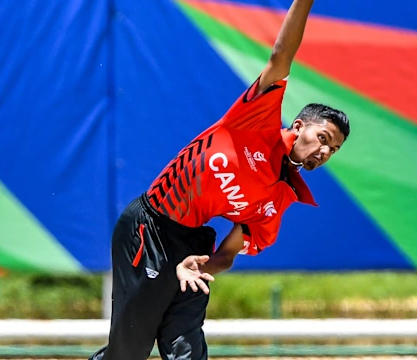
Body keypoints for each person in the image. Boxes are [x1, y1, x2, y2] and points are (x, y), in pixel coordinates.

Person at [90, 0, 349, 359]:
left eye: (333, 149)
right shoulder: (256, 121)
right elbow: (280, 55)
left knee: (186, 351)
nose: (324, 151)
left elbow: (226, 254)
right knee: (129, 351)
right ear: (299, 125)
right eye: (323, 138)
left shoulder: (278, 201)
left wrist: (202, 264)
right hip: (148, 227)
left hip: (193, 246)